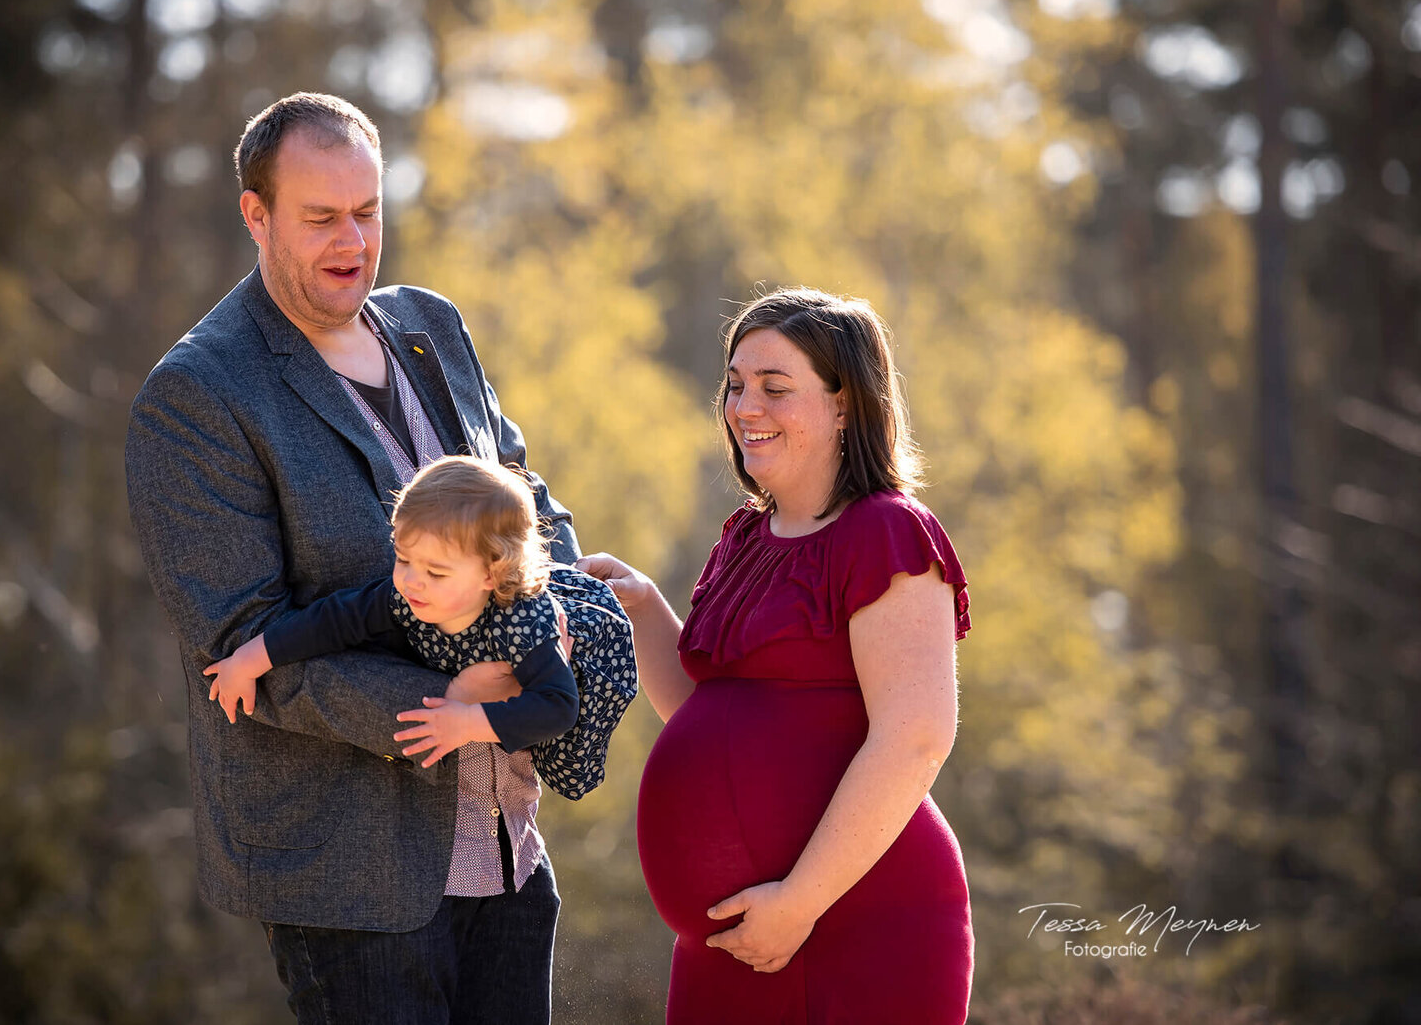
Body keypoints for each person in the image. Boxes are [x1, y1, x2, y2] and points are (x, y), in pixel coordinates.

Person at [125, 92, 575, 1024]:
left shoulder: (432, 327)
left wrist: (561, 612)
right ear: (255, 214)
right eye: (321, 217)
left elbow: (528, 505)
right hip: (353, 876)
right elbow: (241, 650)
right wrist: (455, 707)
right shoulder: (198, 394)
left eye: (368, 212)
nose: (353, 241)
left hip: (508, 843)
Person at [579, 287, 975, 1023]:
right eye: (734, 385)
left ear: (844, 405)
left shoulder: (885, 532)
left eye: (774, 387)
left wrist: (799, 901)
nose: (743, 407)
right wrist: (639, 605)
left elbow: (916, 737)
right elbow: (708, 714)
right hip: (734, 941)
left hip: (852, 920)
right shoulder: (746, 537)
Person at [203, 456, 635, 797]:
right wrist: (249, 658)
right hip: (481, 648)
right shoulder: (408, 595)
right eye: (404, 558)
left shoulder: (523, 622)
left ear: (491, 572)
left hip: (582, 656)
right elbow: (332, 620)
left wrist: (468, 721)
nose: (412, 579)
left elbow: (559, 707)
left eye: (436, 571)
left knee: (562, 758)